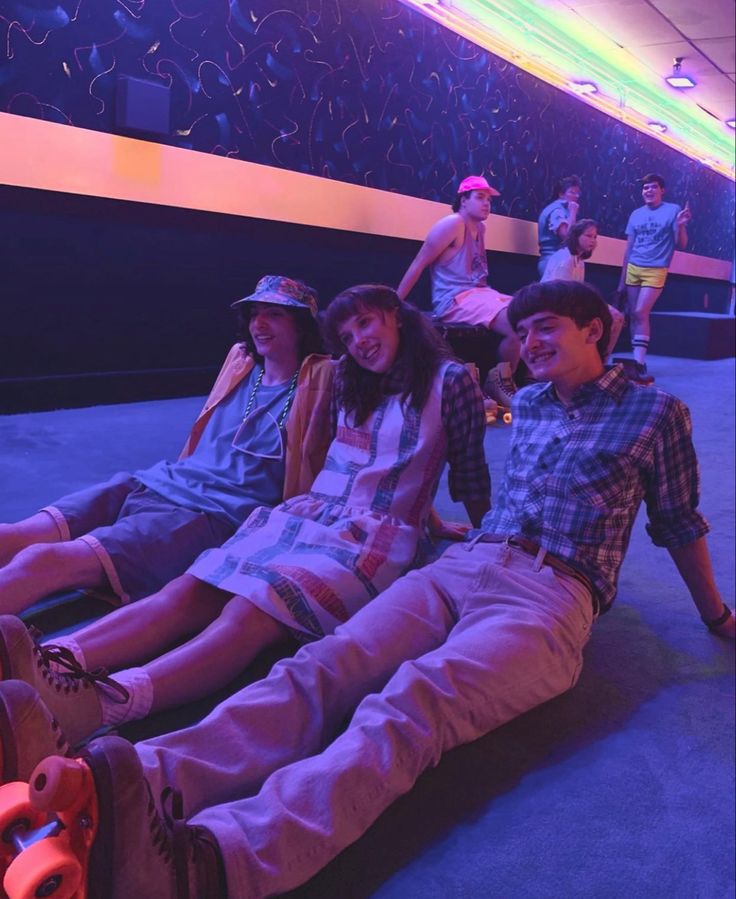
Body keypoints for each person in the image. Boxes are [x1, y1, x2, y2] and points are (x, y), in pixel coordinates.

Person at [3, 280, 731, 899]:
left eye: (547, 328)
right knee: (317, 668)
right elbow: (481, 488)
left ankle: (217, 857)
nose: (530, 342)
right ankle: (136, 782)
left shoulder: (655, 412)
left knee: (412, 700)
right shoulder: (533, 402)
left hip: (551, 593)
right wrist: (454, 528)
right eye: (524, 331)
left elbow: (679, 521)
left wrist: (716, 611)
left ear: (596, 329)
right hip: (465, 562)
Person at [0, 284, 490, 745]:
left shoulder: (451, 382)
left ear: (399, 319)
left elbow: (465, 471)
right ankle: (51, 666)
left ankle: (103, 705)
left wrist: (484, 532)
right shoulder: (344, 377)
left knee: (247, 613)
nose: (359, 341)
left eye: (367, 323)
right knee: (191, 589)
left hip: (373, 540)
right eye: (348, 334)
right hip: (309, 513)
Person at [0, 275, 332, 615]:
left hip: (206, 514)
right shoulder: (241, 363)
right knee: (18, 533)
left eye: (275, 314)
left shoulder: (321, 380)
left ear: (303, 326)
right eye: (254, 313)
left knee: (44, 561)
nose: (258, 323)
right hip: (161, 481)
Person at [396, 175, 520, 407]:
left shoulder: (480, 228)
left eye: (489, 200)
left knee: (528, 313)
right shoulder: (453, 224)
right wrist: (393, 303)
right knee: (515, 323)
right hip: (453, 300)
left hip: (480, 294)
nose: (486, 204)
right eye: (480, 197)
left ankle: (505, 379)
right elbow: (419, 263)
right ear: (463, 200)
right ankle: (496, 383)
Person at [617, 173, 692, 382]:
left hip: (656, 268)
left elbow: (681, 243)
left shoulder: (673, 210)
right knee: (633, 314)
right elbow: (629, 247)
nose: (648, 191)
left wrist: (682, 225)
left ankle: (640, 362)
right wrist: (621, 280)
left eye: (653, 187)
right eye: (645, 188)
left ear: (662, 190)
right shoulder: (636, 214)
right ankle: (636, 360)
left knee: (641, 311)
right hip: (634, 266)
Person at [541, 218, 625, 357]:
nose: (593, 240)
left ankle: (601, 360)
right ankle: (598, 361)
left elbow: (577, 292)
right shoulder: (565, 259)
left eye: (595, 237)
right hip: (554, 306)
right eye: (588, 236)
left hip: (570, 303)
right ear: (576, 236)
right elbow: (559, 296)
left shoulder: (579, 260)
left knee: (617, 317)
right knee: (613, 317)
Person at [537, 175, 582, 277]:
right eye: (572, 192)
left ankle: (626, 287)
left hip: (559, 260)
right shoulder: (557, 210)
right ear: (561, 194)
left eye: (578, 193)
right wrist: (573, 212)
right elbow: (567, 237)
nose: (576, 196)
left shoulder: (561, 209)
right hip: (554, 260)